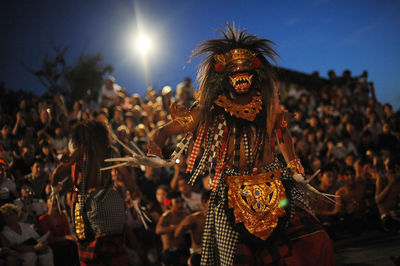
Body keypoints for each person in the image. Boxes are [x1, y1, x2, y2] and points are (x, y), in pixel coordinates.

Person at [148, 24, 334, 265]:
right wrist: (158, 140)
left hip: (275, 183)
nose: (240, 70)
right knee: (233, 260)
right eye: (233, 67)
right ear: (222, 73)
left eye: (245, 65)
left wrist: (294, 166)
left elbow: (282, 133)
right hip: (231, 189)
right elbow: (170, 128)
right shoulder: (211, 107)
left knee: (315, 240)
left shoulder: (267, 103)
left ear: (255, 70)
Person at [51, 120, 138, 265]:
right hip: (109, 201)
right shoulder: (111, 151)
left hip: (84, 204)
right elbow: (127, 176)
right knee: (113, 248)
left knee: (87, 248)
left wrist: (54, 185)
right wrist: (134, 195)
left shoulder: (80, 151)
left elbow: (58, 173)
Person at [174, 191, 210, 266]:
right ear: (204, 203)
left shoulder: (221, 219)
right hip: (197, 255)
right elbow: (177, 234)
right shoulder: (194, 218)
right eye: (211, 203)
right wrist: (182, 226)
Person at [155, 191, 189, 266]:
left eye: (181, 201)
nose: (180, 205)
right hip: (169, 252)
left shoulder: (184, 215)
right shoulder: (166, 216)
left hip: (181, 249)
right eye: (177, 202)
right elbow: (158, 230)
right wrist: (176, 227)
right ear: (170, 204)